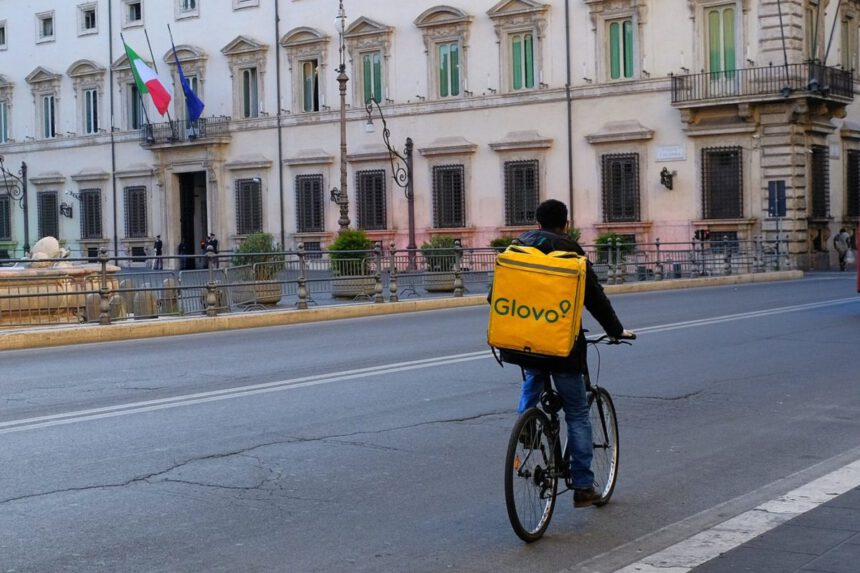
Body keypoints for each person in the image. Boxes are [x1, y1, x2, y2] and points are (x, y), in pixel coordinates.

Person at [510, 199, 634, 508]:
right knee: (578, 413)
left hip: (526, 342)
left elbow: (496, 294)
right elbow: (595, 298)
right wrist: (616, 330)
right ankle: (582, 486)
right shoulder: (571, 253)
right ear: (565, 224)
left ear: (538, 223)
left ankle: (526, 424)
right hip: (563, 347)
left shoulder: (519, 248)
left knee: (534, 373)